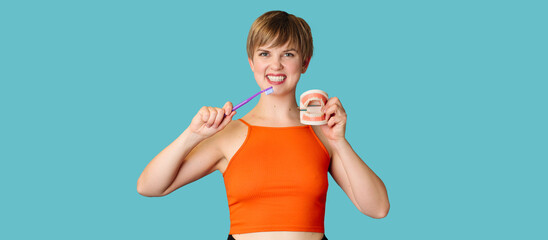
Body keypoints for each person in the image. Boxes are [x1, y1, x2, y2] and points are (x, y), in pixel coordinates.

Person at [137, 10, 390, 240]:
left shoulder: (323, 133)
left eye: (288, 54)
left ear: (305, 63)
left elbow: (378, 208)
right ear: (251, 63)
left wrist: (340, 142)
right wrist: (192, 135)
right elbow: (149, 187)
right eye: (265, 54)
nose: (276, 65)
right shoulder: (229, 134)